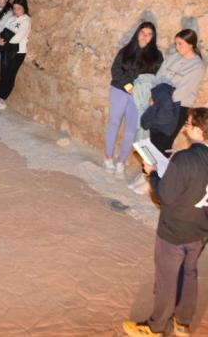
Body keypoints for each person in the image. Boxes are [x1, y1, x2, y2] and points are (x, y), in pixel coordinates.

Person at [122, 108, 208, 337]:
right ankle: (182, 322)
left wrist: (152, 173)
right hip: (200, 230)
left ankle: (155, 327)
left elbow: (164, 196)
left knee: (166, 280)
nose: (186, 128)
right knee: (189, 273)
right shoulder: (189, 159)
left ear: (200, 130)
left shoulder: (185, 159)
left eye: (189, 124)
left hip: (175, 230)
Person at [102, 22, 163, 177]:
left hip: (140, 97)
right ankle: (108, 158)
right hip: (119, 90)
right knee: (114, 123)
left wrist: (152, 96)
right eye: (143, 32)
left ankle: (121, 163)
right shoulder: (126, 50)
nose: (145, 36)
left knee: (131, 130)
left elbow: (157, 79)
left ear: (153, 37)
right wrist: (129, 86)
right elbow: (116, 70)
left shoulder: (157, 56)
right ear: (137, 33)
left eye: (149, 34)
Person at [150, 29, 207, 155]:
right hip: (160, 102)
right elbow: (159, 76)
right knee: (154, 137)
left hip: (178, 107)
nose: (177, 47)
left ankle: (162, 167)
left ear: (191, 44)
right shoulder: (173, 57)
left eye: (180, 44)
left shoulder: (197, 66)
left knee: (165, 141)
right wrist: (154, 95)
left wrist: (161, 102)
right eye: (176, 44)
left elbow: (183, 91)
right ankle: (150, 165)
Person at [0, 0, 32, 113]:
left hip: (17, 52)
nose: (16, 11)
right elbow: (2, 31)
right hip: (6, 49)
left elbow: (18, 37)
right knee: (3, 74)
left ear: (24, 8)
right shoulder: (11, 18)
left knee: (9, 75)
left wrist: (4, 41)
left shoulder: (26, 20)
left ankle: (2, 100)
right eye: (14, 8)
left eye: (19, 8)